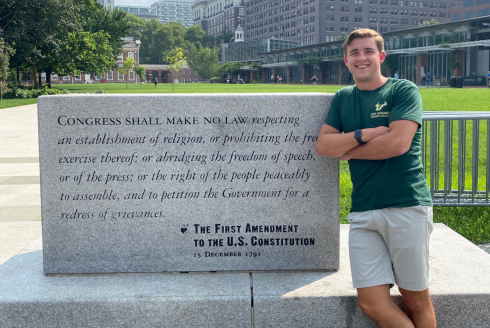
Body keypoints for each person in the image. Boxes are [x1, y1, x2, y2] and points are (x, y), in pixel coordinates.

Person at [316, 28, 435, 328]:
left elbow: (398, 144)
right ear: (345, 60)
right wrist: (364, 134)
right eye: (354, 52)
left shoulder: (402, 90)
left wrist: (349, 149)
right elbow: (324, 146)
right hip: (364, 211)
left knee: (415, 300)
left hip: (406, 205)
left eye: (368, 51)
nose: (361, 57)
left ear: (381, 56)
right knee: (370, 302)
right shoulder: (343, 98)